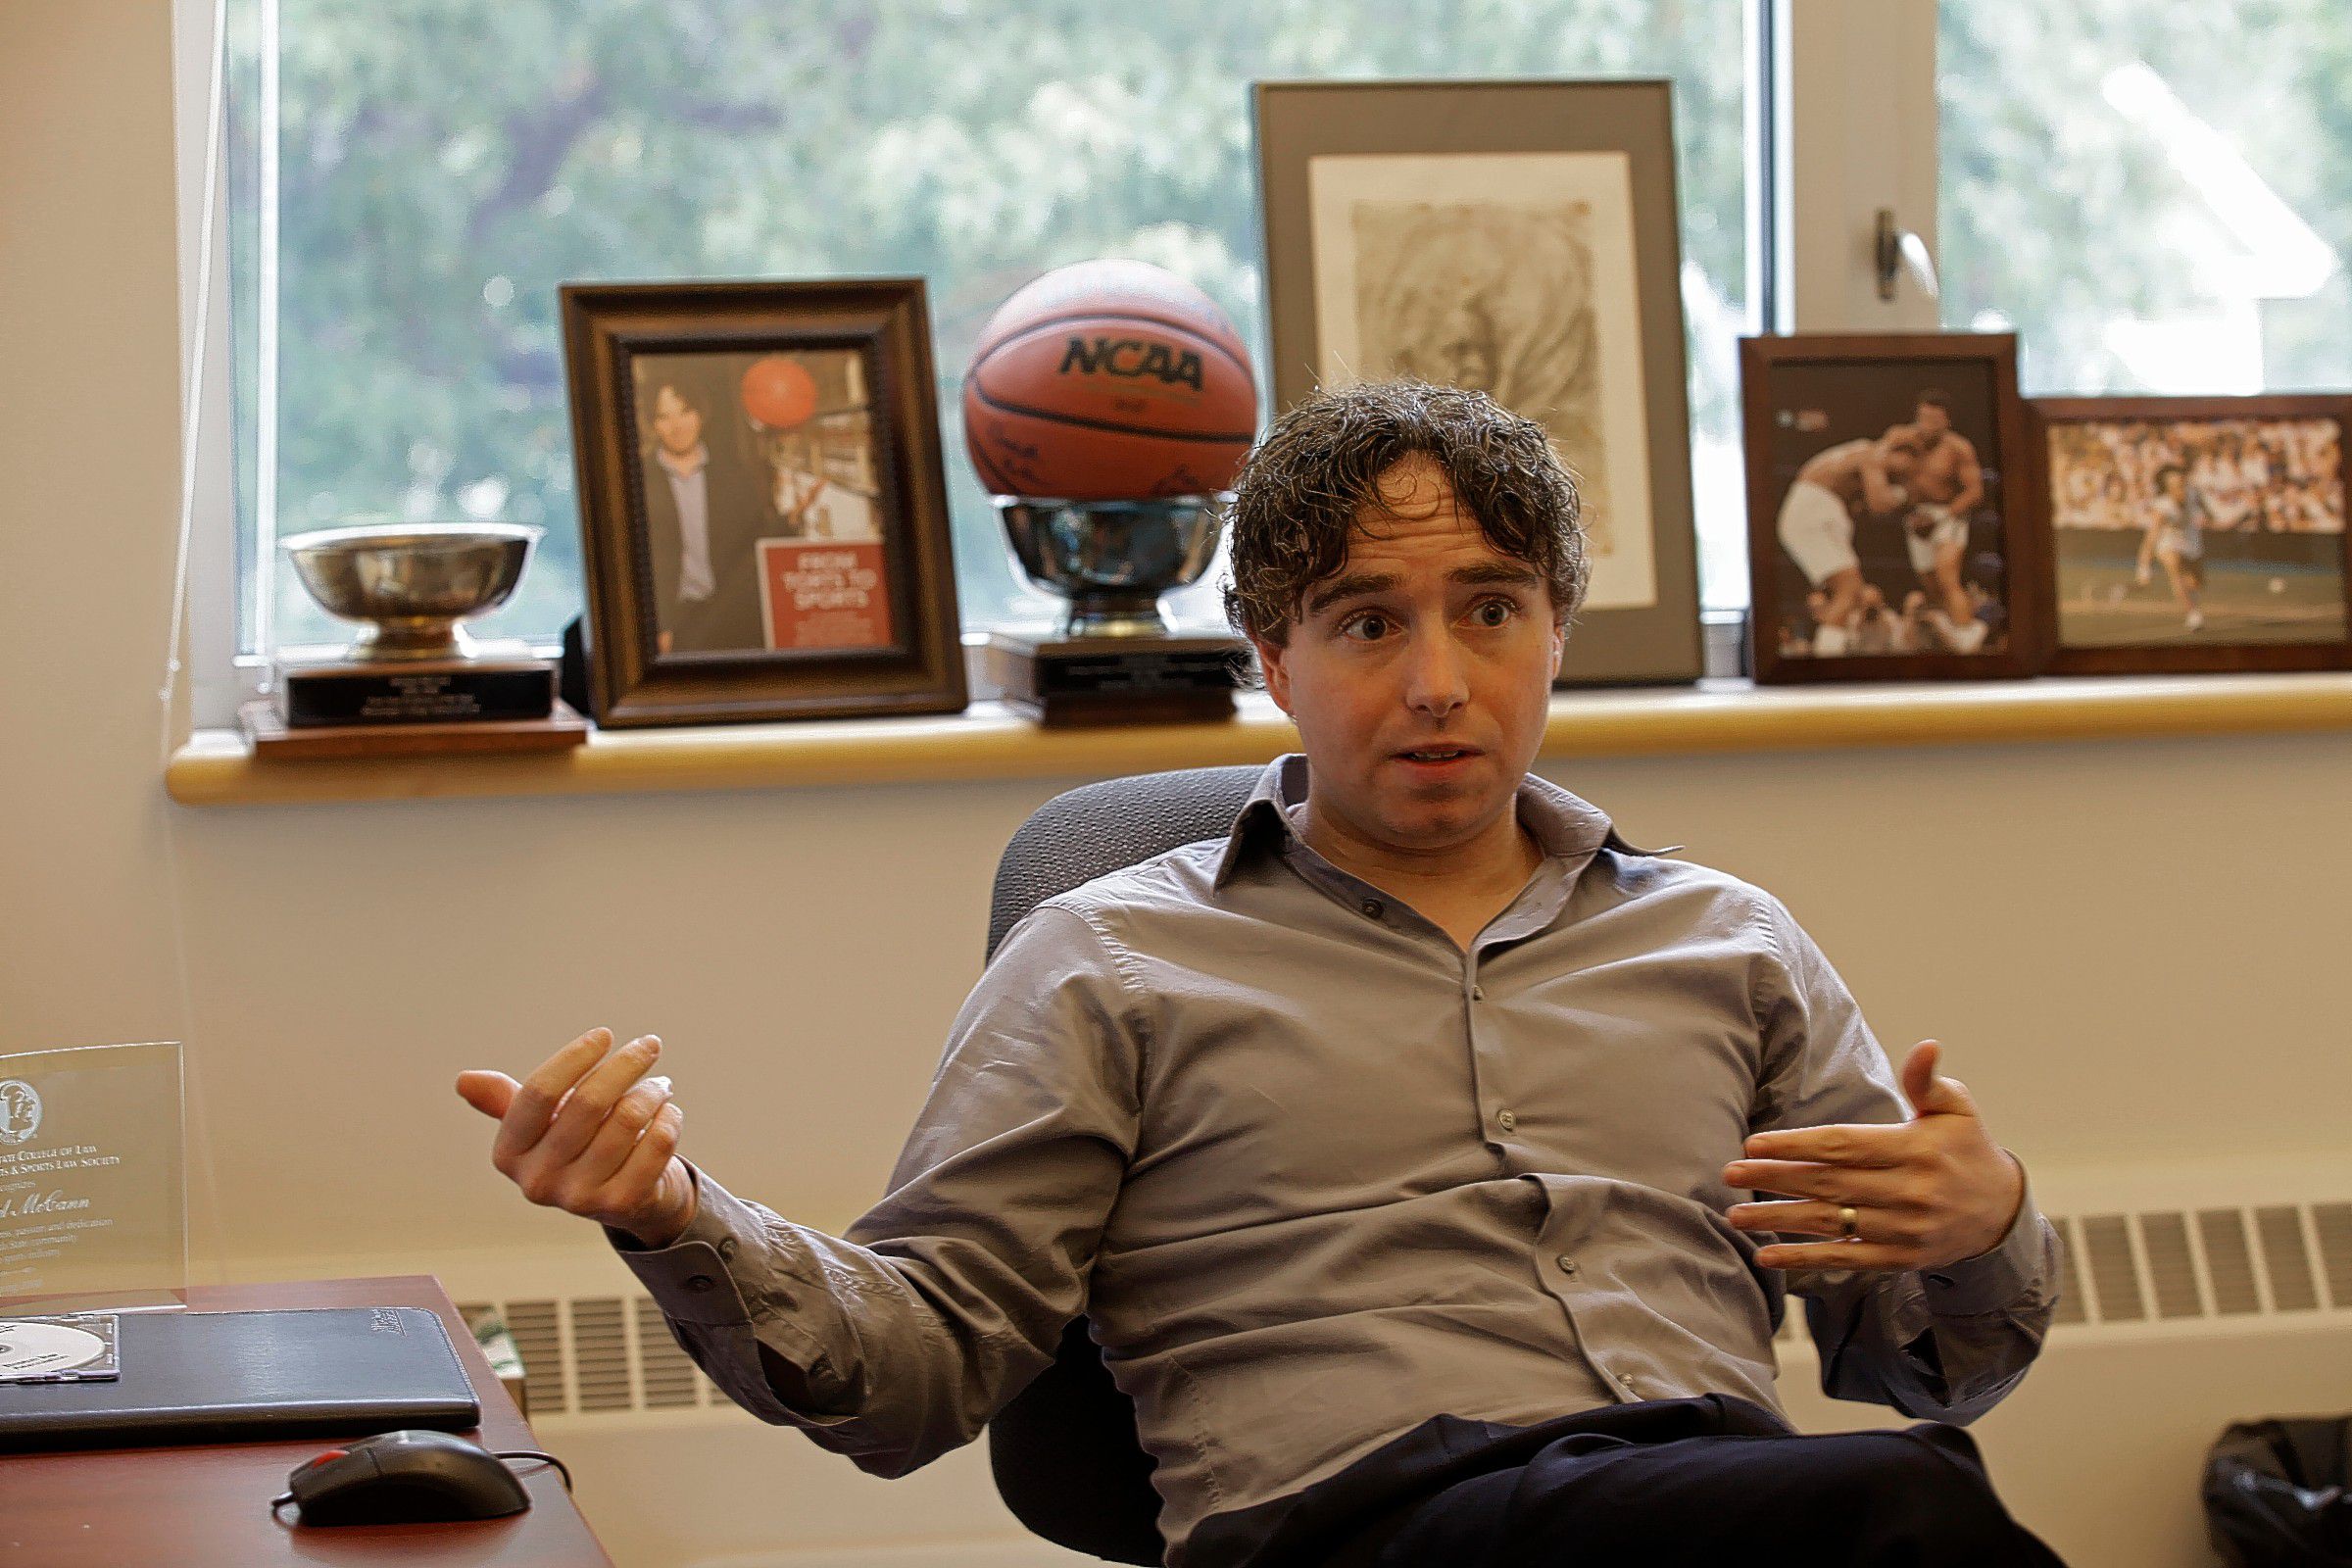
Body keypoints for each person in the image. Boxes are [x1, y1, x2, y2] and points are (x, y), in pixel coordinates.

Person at [456, 380, 2064, 1568]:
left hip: (1718, 1511)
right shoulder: (1113, 958)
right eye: (1369, 626)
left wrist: (1987, 1223)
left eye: (1488, 611)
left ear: (1556, 630)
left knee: (1886, 1505)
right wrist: (673, 1216)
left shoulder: (1730, 945)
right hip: (1354, 1532)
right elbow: (916, 1362)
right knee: (1902, 1521)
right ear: (1271, 655)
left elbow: (1928, 1364)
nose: (1439, 683)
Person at [639, 376, 775, 656]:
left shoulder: (734, 476)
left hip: (732, 618)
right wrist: (659, 625)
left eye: (685, 412)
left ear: (701, 414)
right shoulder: (638, 481)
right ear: (653, 424)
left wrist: (790, 520)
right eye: (664, 417)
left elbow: (753, 548)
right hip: (671, 625)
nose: (677, 426)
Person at [1774, 431, 1920, 654]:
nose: (1903, 473)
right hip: (1815, 513)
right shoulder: (1871, 454)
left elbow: (1861, 506)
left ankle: (1838, 648)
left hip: (1817, 513)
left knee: (1854, 592)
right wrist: (1905, 494)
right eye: (1905, 466)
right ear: (1897, 452)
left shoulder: (1854, 459)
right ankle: (1827, 656)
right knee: (1848, 589)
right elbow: (1879, 504)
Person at [1884, 391, 1988, 653]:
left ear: (1947, 422)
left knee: (1946, 576)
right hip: (1915, 516)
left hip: (1948, 514)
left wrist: (1942, 516)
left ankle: (1968, 640)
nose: (1928, 424)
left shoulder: (1958, 448)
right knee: (1930, 585)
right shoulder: (1899, 438)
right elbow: (1875, 464)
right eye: (1924, 417)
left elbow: (1975, 491)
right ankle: (1949, 639)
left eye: (1935, 419)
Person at [2137, 464, 2207, 634]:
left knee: (2196, 583)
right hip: (2169, 541)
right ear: (2169, 489)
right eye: (2177, 486)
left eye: (2183, 483)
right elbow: (2151, 538)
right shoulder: (2162, 507)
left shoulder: (2193, 492)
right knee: (2174, 567)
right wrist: (2144, 568)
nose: (2181, 487)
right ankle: (2192, 613)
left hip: (2191, 540)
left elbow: (2204, 509)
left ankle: (2191, 597)